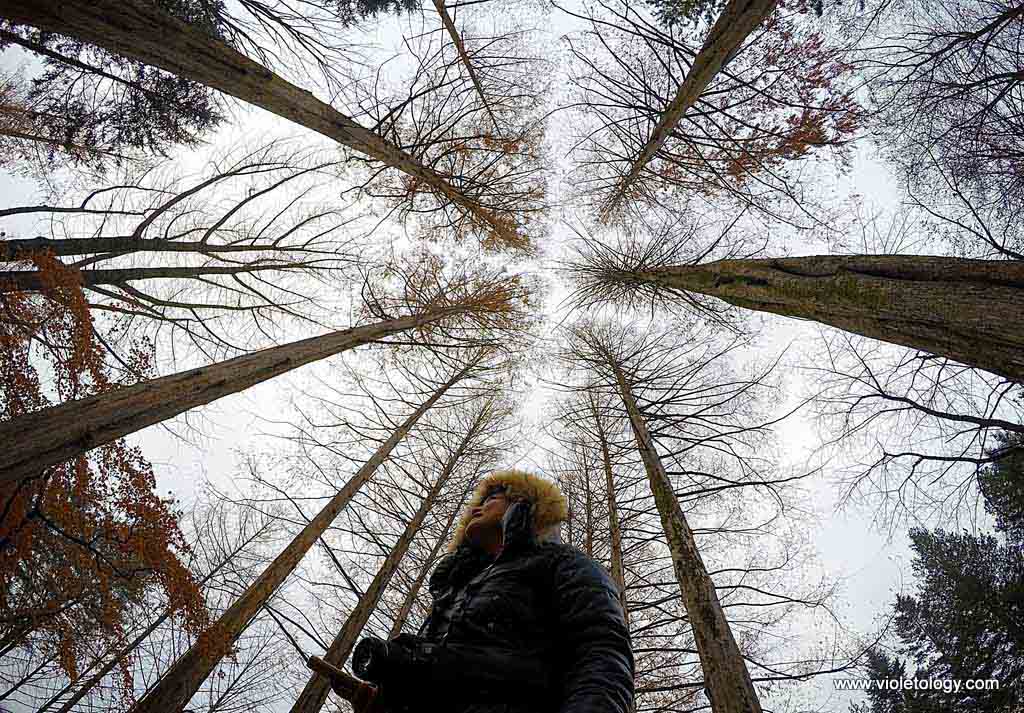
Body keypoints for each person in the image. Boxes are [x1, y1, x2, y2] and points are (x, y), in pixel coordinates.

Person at [351, 468, 635, 713]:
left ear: (522, 504)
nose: (476, 508)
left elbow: (601, 653)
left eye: (492, 499)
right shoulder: (455, 590)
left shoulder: (563, 563)